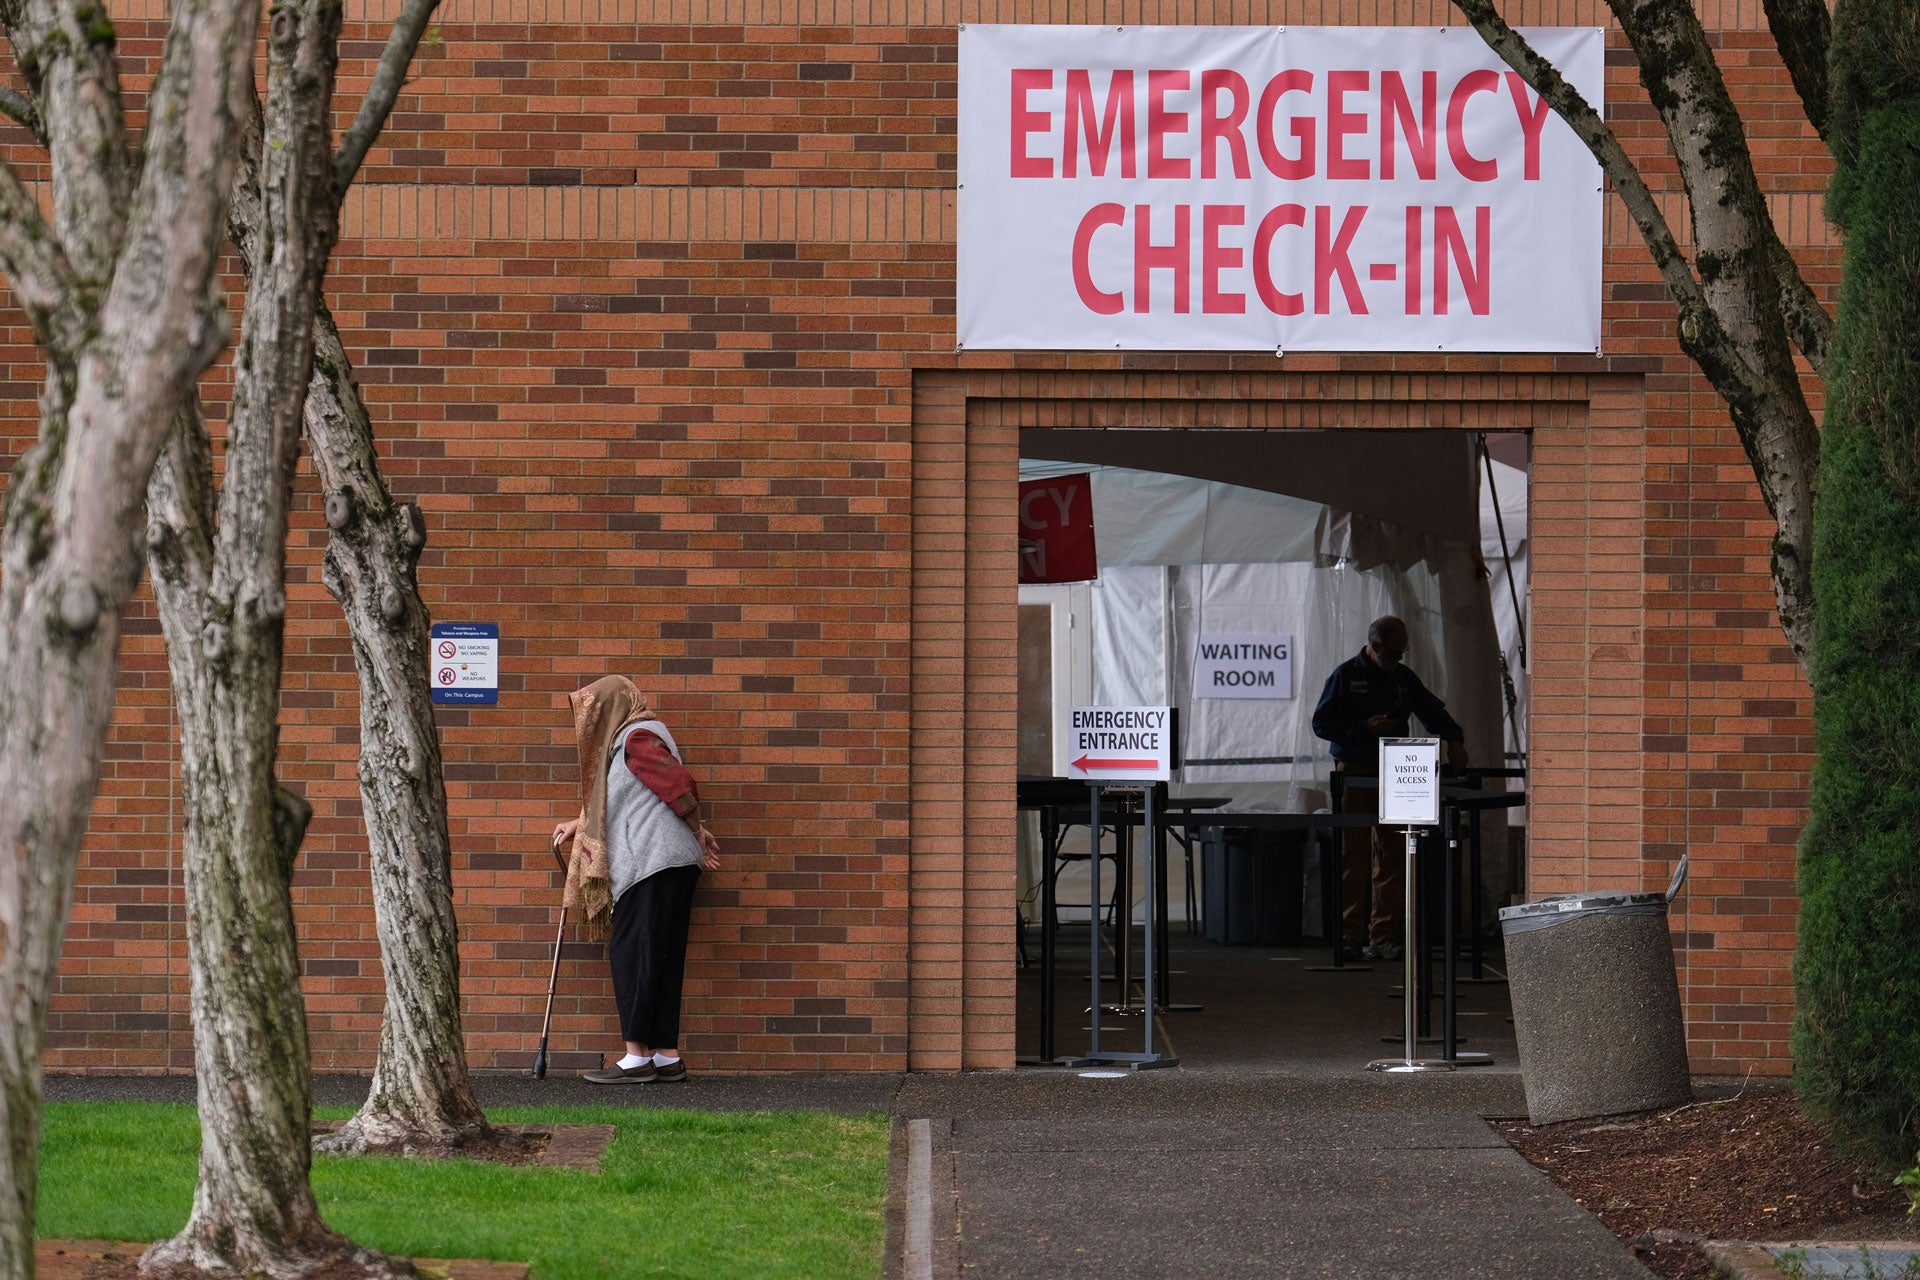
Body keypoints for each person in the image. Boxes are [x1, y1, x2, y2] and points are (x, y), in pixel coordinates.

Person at [552, 676, 721, 1083]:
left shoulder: (636, 737)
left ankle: (635, 1058)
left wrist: (697, 828)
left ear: (613, 708)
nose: (591, 722)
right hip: (667, 862)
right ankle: (665, 1056)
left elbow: (678, 784)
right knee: (661, 957)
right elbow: (631, 797)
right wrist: (581, 822)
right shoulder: (634, 737)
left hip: (651, 864)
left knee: (635, 955)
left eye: (596, 712)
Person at [1310, 616, 1467, 961]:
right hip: (1353, 771)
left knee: (1393, 854)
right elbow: (1321, 723)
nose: (1400, 658)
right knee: (1353, 854)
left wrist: (1454, 738)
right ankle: (1349, 936)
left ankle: (1383, 936)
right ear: (1375, 646)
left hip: (1396, 769)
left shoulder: (1402, 677)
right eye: (1395, 652)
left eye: (1403, 652)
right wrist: (1362, 728)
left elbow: (1430, 710)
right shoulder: (1345, 675)